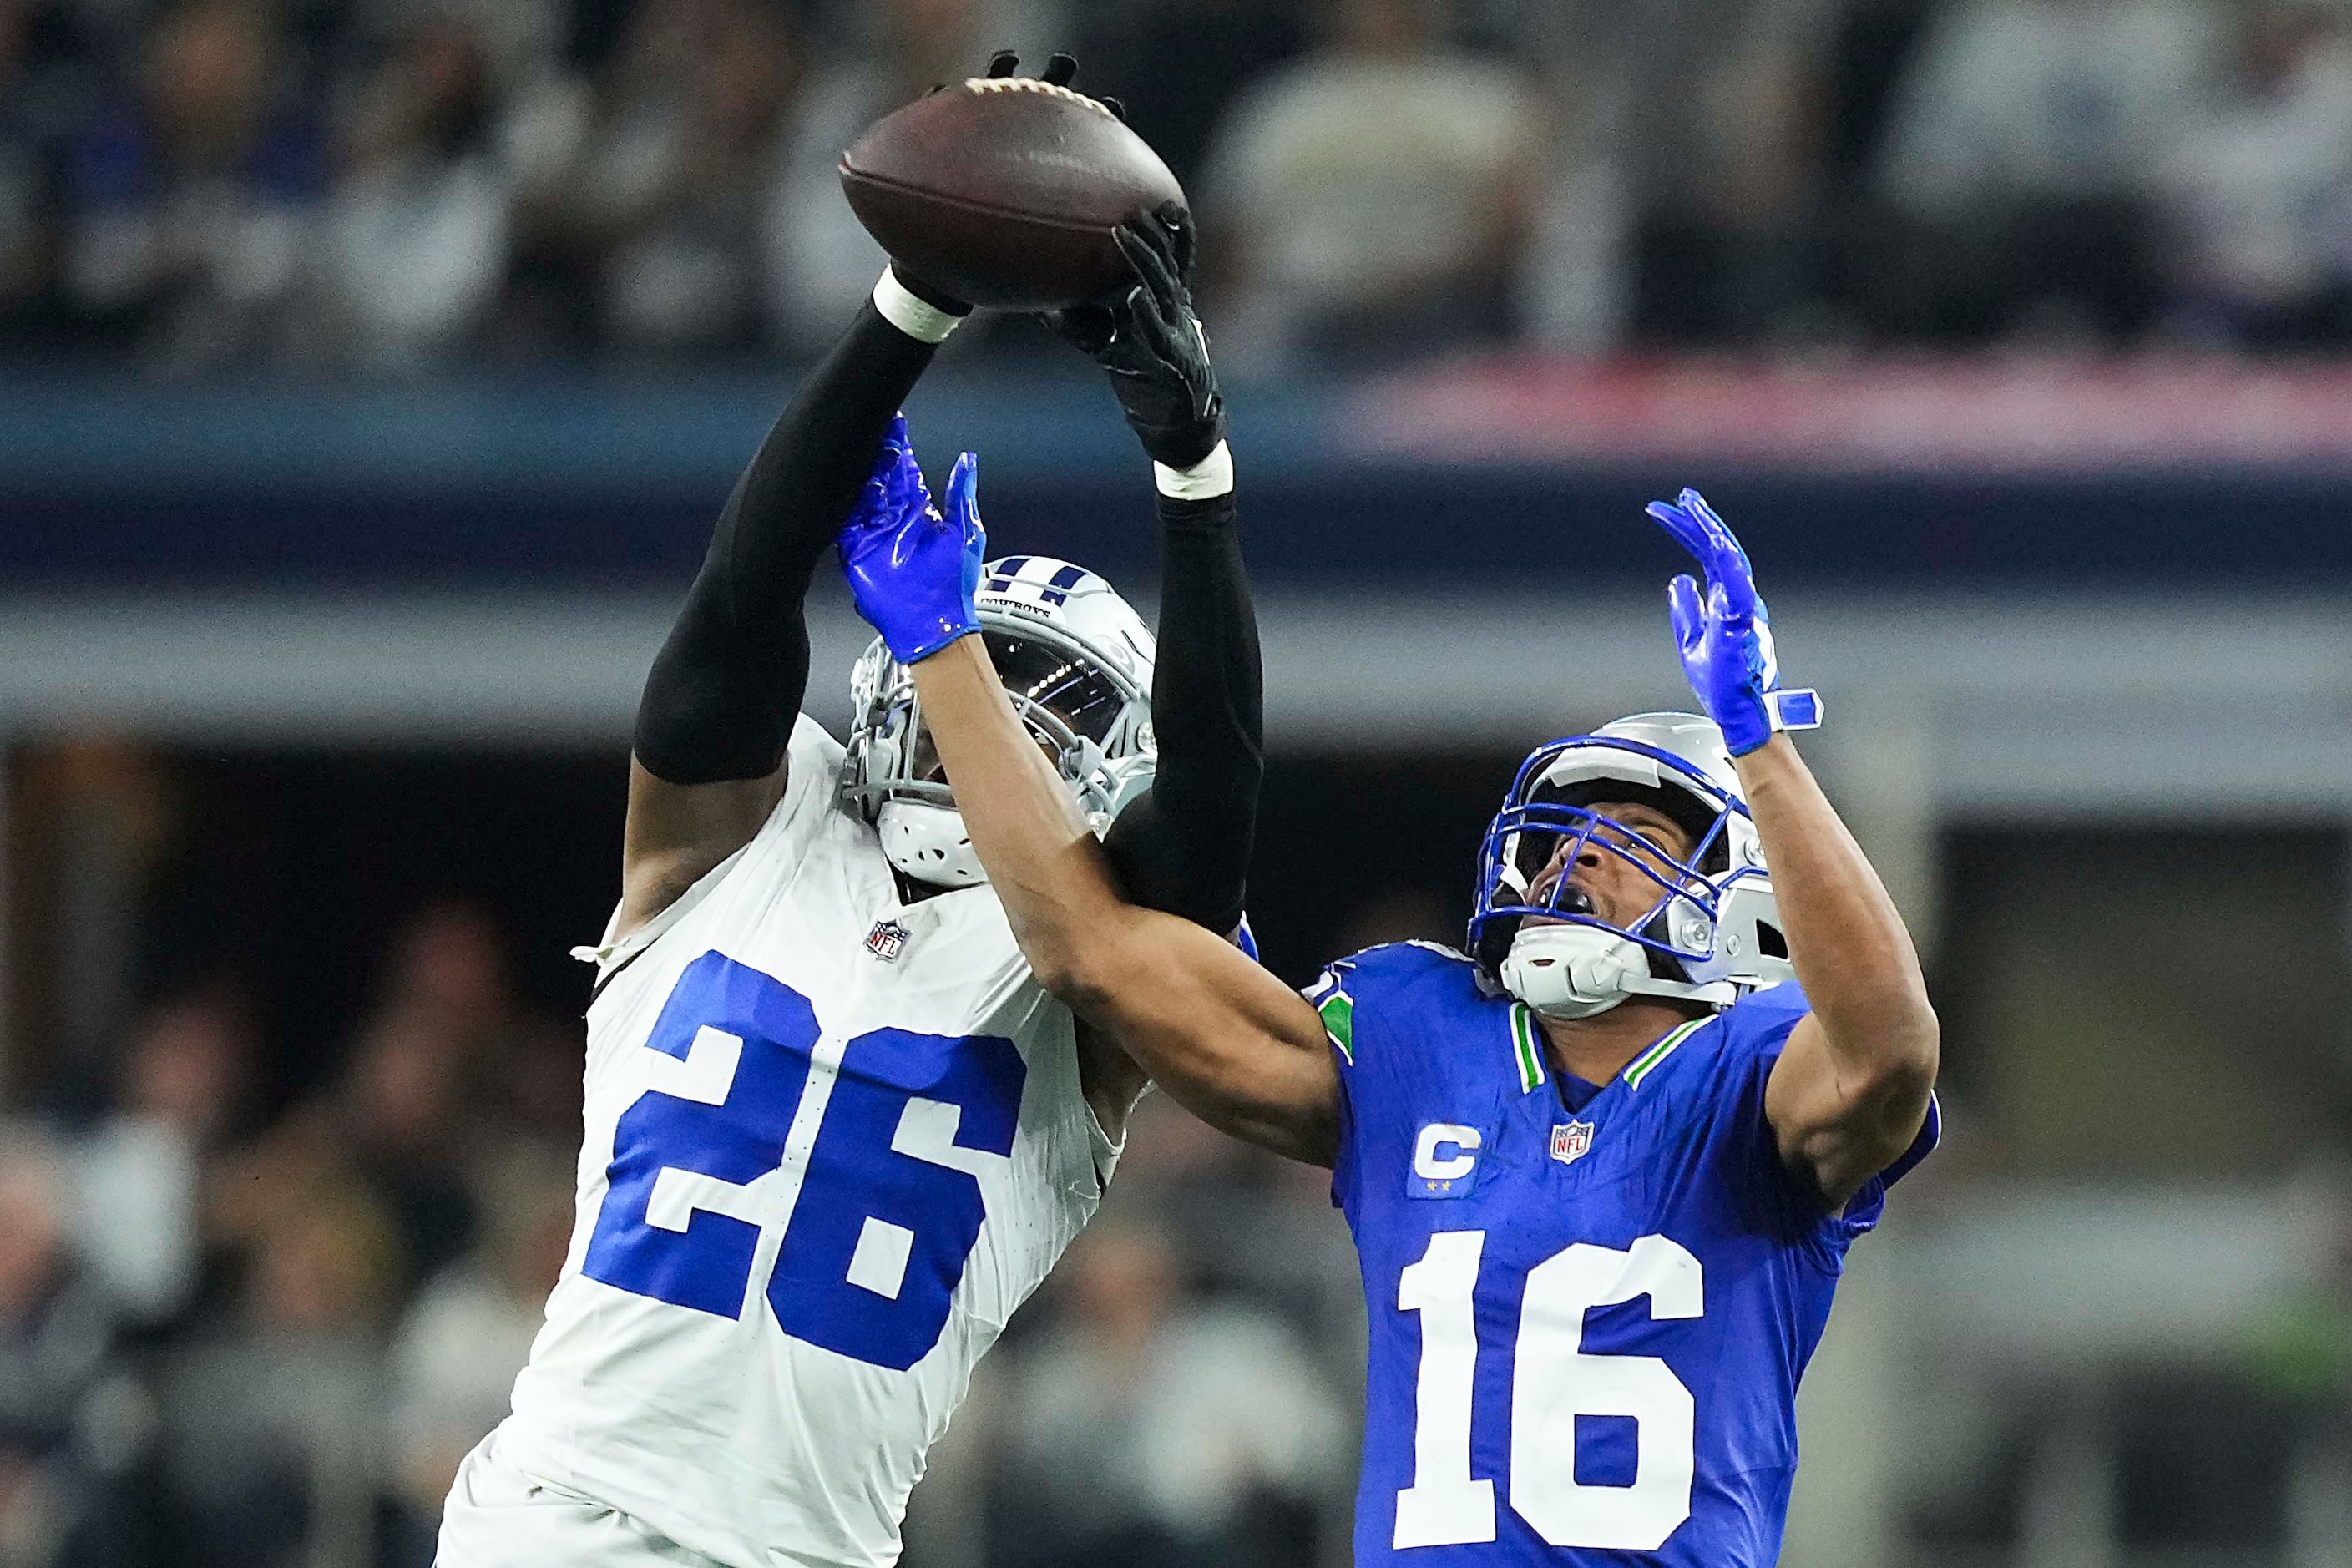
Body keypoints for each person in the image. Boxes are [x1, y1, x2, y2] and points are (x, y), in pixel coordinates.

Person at [434, 50, 1266, 1568]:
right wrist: (909, 308)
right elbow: (729, 624)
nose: (993, 717)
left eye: (1050, 702)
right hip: (557, 1520)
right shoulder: (755, 833)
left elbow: (1208, 823)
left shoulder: (1076, 962)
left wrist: (1191, 476)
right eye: (975, 661)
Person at [842, 474, 1941, 1563]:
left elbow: (1887, 1048)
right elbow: (1098, 952)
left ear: (1747, 896)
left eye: (1639, 836)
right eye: (1564, 834)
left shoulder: (1748, 1069)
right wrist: (945, 651)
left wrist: (1759, 746)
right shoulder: (1420, 1032)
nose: (1579, 855)